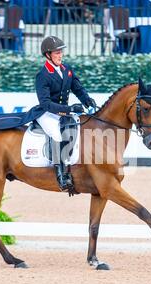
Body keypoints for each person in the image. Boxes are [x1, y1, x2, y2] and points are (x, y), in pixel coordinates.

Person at [35, 35, 96, 191]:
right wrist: (69, 109)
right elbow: (46, 103)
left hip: (63, 112)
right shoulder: (43, 75)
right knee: (56, 135)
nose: (60, 55)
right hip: (47, 113)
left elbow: (77, 88)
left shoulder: (66, 69)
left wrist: (87, 100)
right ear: (48, 55)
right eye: (56, 53)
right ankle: (61, 174)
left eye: (61, 52)